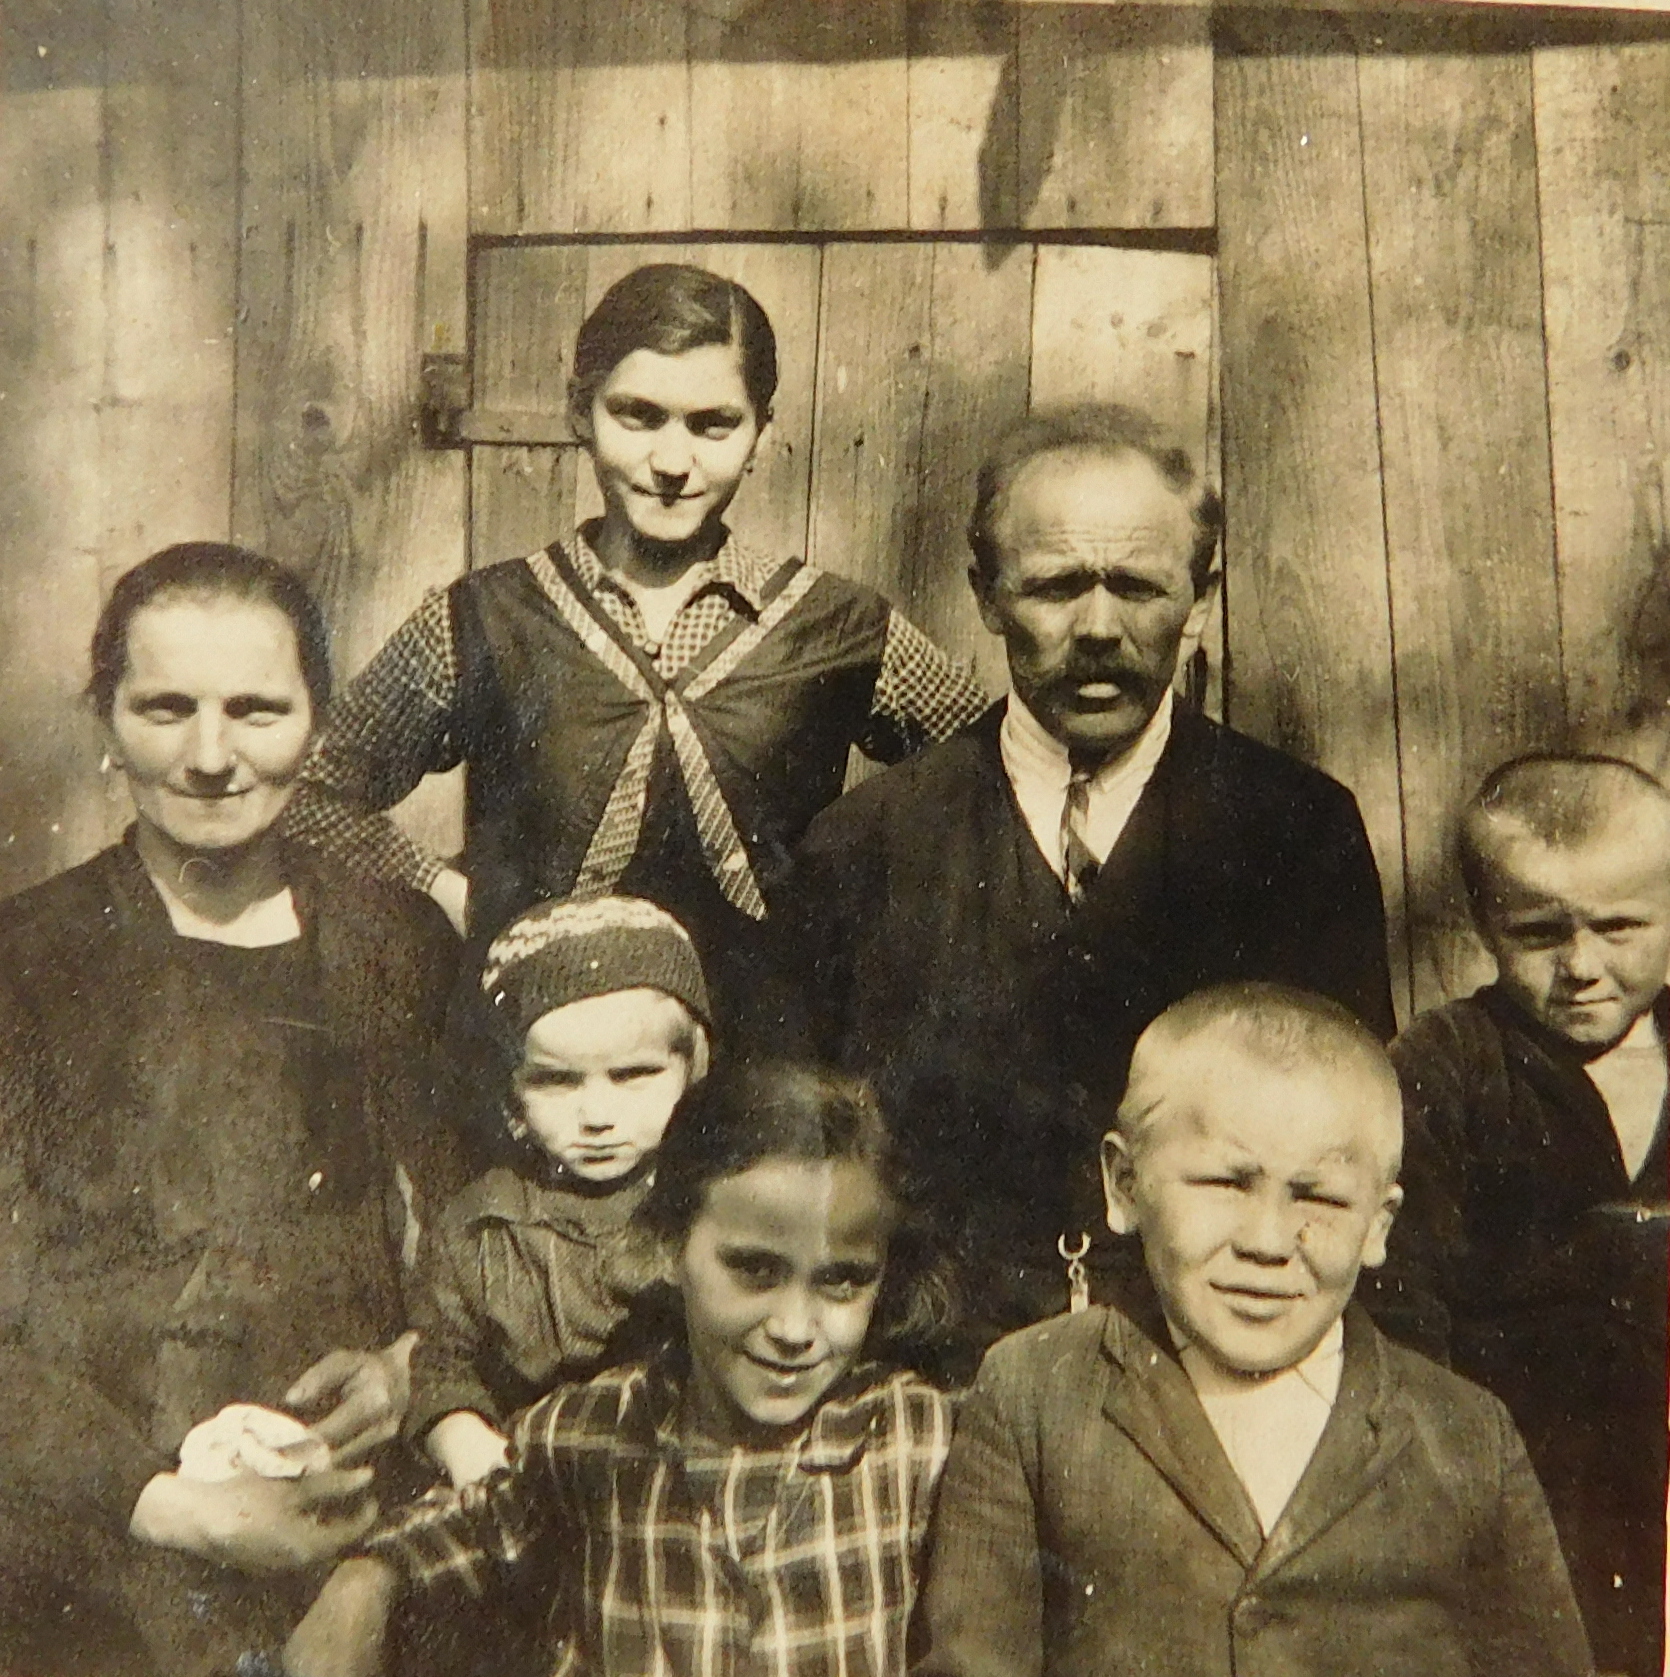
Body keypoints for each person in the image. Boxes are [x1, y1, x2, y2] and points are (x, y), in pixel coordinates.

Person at [777, 403, 1394, 1353]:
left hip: (1207, 1357)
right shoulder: (864, 845)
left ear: (1201, 597)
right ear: (987, 596)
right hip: (931, 1363)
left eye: (1138, 587)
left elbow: (1346, 1145)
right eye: (1057, 586)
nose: (1099, 628)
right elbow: (803, 1159)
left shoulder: (1297, 834)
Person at [285, 262, 985, 1024]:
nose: (674, 463)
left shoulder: (837, 624)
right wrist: (448, 892)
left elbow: (1003, 779)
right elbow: (308, 793)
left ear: (762, 432)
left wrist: (867, 922)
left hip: (761, 1058)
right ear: (580, 412)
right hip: (536, 1061)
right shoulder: (483, 616)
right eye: (639, 416)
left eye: (714, 423)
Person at [0, 544, 465, 1677]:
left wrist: (410, 1366)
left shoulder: (399, 945)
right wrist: (170, 1507)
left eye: (256, 709)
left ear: (316, 724)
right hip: (89, 1554)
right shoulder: (25, 963)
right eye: (166, 708)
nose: (211, 758)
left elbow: (488, 1233)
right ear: (107, 723)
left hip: (356, 1542)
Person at [913, 983, 1592, 1677]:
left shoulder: (1467, 1437)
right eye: (1225, 1183)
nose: (1267, 1242)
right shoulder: (1035, 1393)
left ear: (1378, 1225)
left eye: (1320, 1197)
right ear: (1124, 1184)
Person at [283, 1059, 956, 1677]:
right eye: (755, 1269)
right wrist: (362, 1583)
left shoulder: (912, 1436)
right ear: (669, 1245)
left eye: (842, 1280)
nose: (794, 1329)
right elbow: (471, 1521)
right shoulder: (591, 1434)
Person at [1386, 753, 1670, 1677]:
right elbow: (1403, 1297)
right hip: (1526, 1482)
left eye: (1621, 926)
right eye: (1541, 932)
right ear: (1483, 925)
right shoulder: (1447, 1066)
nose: (1582, 966)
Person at [407, 893, 713, 1489]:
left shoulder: (714, 1203)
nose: (596, 1116)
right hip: (539, 1482)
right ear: (511, 1094)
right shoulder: (483, 1227)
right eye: (556, 1081)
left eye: (633, 1075)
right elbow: (442, 1365)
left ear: (692, 1069)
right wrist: (463, 1438)